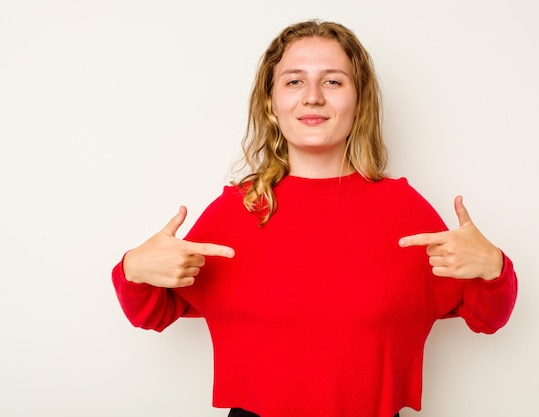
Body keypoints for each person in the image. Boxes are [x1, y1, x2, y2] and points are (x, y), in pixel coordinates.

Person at [112, 19, 517, 417]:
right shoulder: (237, 210)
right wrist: (131, 269)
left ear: (359, 100)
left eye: (333, 81)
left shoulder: (405, 210)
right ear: (271, 101)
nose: (312, 97)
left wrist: (495, 268)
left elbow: (486, 317)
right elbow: (155, 311)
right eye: (294, 81)